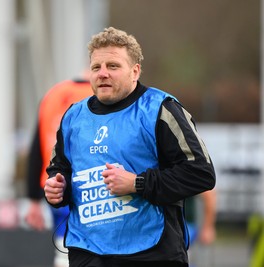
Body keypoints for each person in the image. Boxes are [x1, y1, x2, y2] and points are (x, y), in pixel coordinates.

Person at [44, 27, 216, 267]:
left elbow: (201, 174)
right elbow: (58, 169)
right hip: (87, 250)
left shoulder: (160, 109)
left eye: (113, 66)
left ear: (135, 71)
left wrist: (137, 183)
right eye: (96, 67)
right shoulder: (73, 116)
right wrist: (55, 189)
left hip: (150, 252)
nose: (103, 74)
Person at [25, 77, 93, 267]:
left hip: (53, 184)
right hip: (91, 185)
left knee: (63, 246)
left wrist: (33, 198)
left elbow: (36, 147)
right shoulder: (101, 95)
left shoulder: (52, 95)